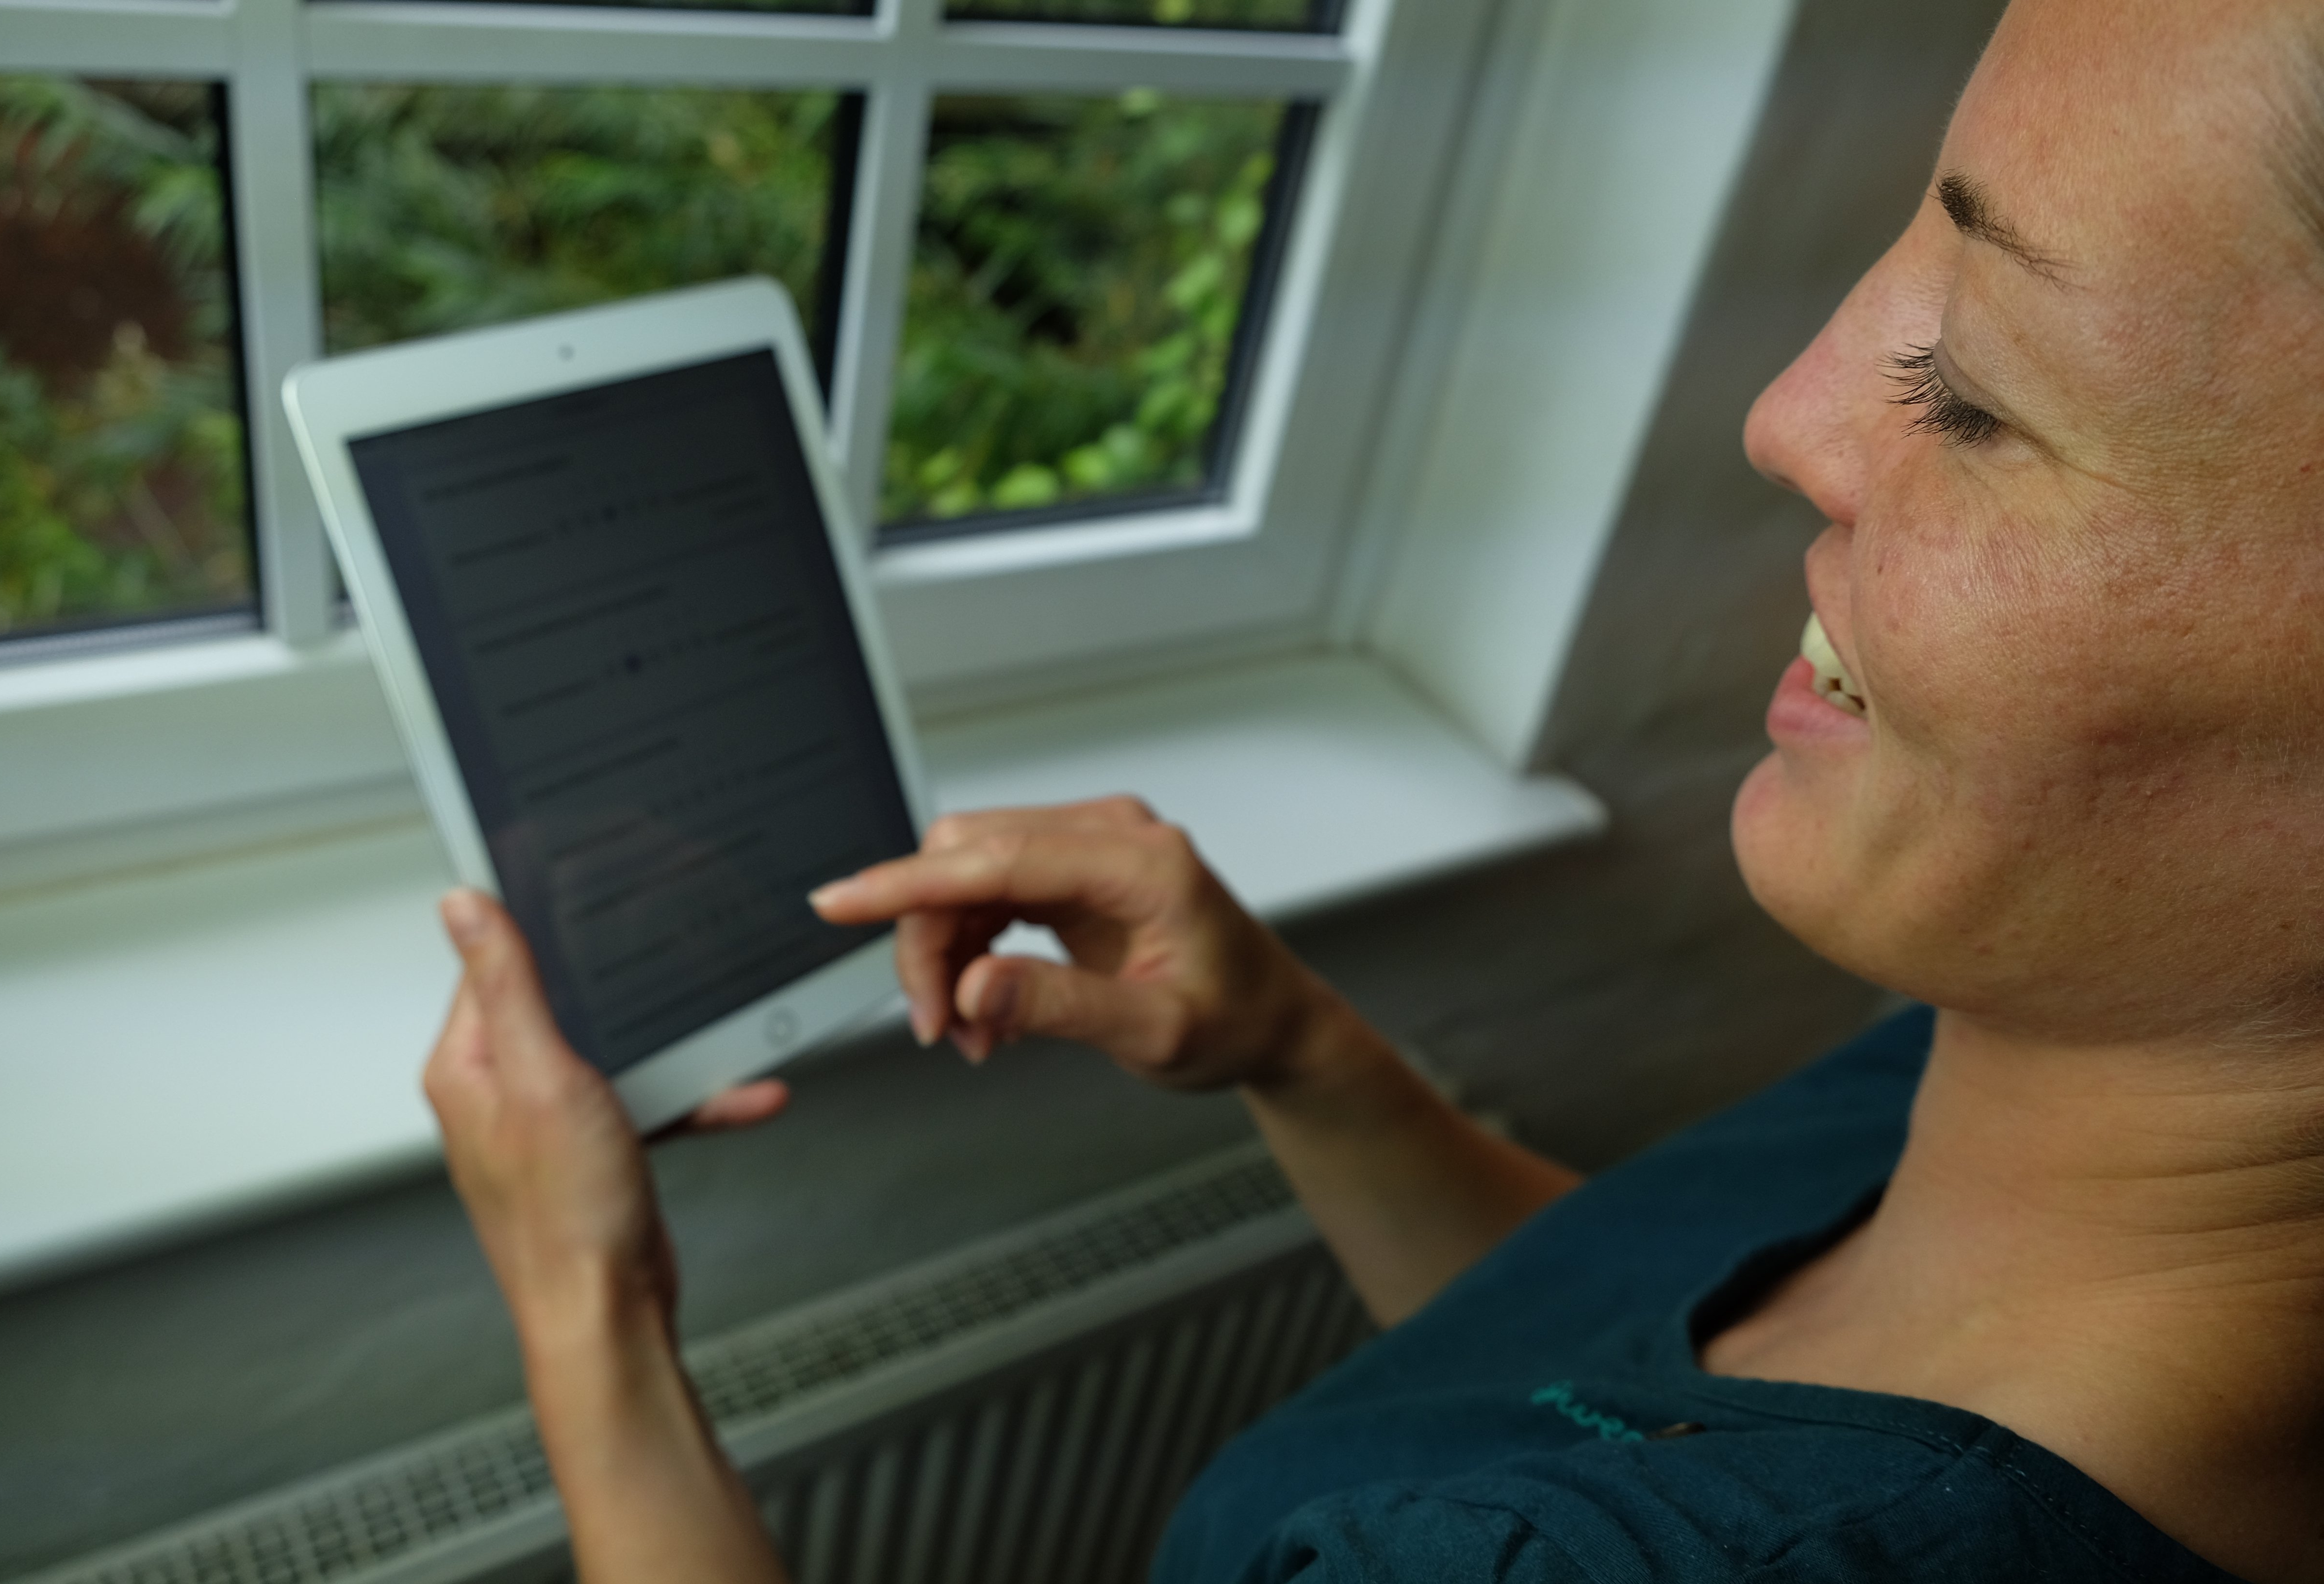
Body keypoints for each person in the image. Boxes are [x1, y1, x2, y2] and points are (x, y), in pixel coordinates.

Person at [415, 0, 2324, 1577]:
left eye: (1979, 390)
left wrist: (589, 1316)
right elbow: (1630, 1384)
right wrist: (1301, 1055)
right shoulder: (2038, 1034)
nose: (1789, 413)